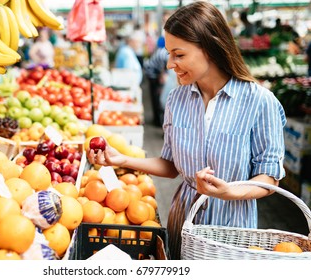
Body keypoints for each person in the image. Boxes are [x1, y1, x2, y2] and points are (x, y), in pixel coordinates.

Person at [87, 1, 286, 260]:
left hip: (231, 230)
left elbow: (269, 178)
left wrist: (229, 192)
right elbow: (170, 165)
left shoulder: (260, 101)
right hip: (183, 222)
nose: (170, 64)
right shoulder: (176, 100)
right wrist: (121, 159)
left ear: (211, 49)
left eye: (179, 55)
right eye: (169, 53)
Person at [143, 36, 169, 126]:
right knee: (156, 96)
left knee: (157, 96)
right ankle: (157, 121)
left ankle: (157, 119)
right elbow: (163, 70)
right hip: (152, 74)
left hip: (154, 72)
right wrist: (163, 80)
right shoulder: (164, 53)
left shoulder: (163, 51)